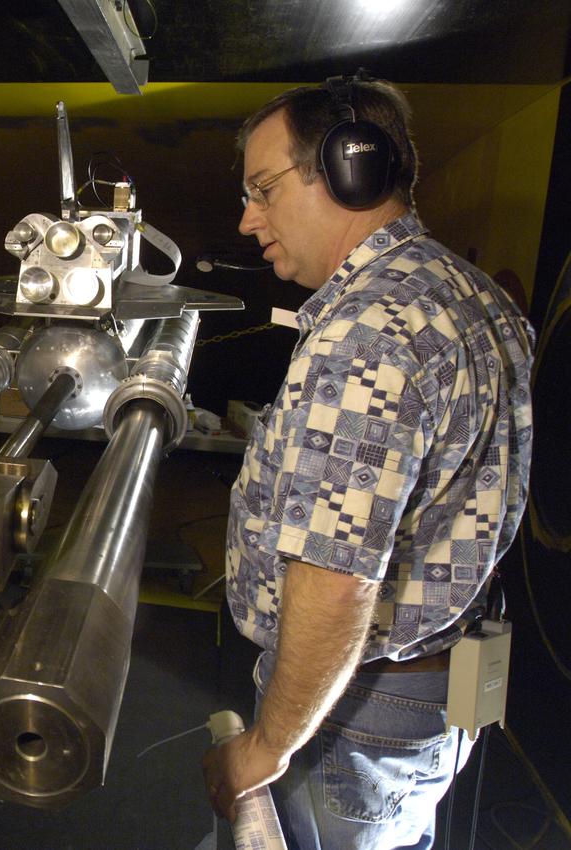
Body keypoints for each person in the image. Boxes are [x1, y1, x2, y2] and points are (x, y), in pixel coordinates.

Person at [202, 75, 534, 848]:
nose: (249, 219)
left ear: (350, 167)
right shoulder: (474, 295)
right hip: (427, 699)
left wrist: (264, 749)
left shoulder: (368, 335)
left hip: (353, 714)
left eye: (264, 188)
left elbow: (337, 579)